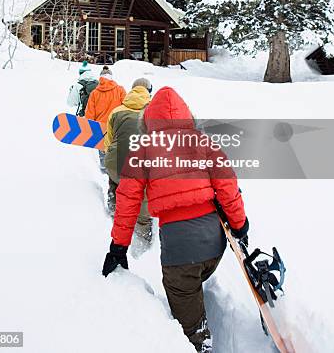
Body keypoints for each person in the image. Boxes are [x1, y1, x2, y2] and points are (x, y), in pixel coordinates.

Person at [102, 87, 248, 353]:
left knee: (182, 291)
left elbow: (128, 199)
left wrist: (118, 246)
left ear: (147, 120)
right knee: (194, 277)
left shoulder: (142, 149)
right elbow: (227, 185)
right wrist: (239, 225)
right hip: (215, 244)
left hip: (180, 251)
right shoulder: (203, 143)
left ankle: (199, 340)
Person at [104, 78, 153, 245]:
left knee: (116, 185)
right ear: (149, 91)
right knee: (144, 198)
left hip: (115, 163)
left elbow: (108, 142)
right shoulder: (154, 113)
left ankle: (111, 216)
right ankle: (143, 238)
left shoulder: (116, 111)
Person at [85, 66, 126, 171]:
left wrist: (90, 129)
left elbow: (89, 114)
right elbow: (126, 108)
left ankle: (104, 172)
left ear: (100, 78)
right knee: (117, 154)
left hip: (100, 129)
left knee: (104, 156)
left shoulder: (94, 93)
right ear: (111, 77)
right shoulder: (120, 90)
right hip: (117, 127)